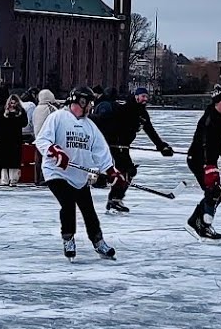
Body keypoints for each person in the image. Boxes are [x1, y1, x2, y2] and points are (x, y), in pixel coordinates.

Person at [35, 87, 123, 261]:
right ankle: (68, 238)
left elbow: (101, 151)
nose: (90, 107)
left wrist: (111, 171)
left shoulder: (89, 126)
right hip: (56, 172)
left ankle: (98, 242)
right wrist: (55, 151)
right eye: (88, 103)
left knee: (88, 210)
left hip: (79, 176)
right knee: (68, 204)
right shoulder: (57, 117)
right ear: (80, 102)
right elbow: (42, 140)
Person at [89, 86, 175, 213]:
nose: (145, 99)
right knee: (127, 170)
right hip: (115, 144)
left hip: (124, 146)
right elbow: (104, 120)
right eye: (143, 96)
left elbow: (150, 131)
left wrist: (162, 146)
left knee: (127, 171)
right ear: (136, 96)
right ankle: (111, 193)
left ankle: (114, 197)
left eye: (146, 96)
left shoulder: (143, 114)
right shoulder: (125, 108)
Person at [186, 90, 221, 240]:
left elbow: (218, 141)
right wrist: (208, 165)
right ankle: (203, 225)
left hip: (209, 160)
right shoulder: (209, 118)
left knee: (218, 192)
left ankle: (196, 220)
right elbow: (205, 142)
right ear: (216, 103)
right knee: (213, 191)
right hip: (198, 159)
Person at [0, 91, 29, 186]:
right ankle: (4, 179)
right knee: (4, 159)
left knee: (14, 160)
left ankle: (13, 179)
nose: (13, 105)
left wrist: (16, 116)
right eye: (11, 102)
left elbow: (24, 123)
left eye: (14, 103)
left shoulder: (21, 112)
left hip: (15, 139)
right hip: (4, 139)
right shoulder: (3, 112)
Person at [31, 89, 59, 186]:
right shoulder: (50, 108)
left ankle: (37, 178)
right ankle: (46, 178)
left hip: (37, 138)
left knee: (37, 159)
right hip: (48, 139)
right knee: (48, 159)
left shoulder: (36, 109)